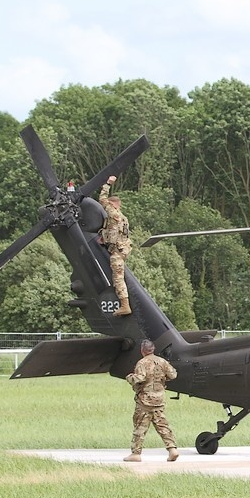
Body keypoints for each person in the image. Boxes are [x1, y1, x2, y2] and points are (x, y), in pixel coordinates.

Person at [124, 339, 179, 462]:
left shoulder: (142, 363)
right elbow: (173, 375)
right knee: (162, 425)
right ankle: (172, 449)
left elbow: (140, 378)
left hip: (145, 401)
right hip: (159, 399)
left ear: (142, 350)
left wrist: (129, 377)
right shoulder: (162, 362)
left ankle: (136, 453)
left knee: (140, 426)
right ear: (153, 350)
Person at [99, 175, 132, 316]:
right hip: (124, 248)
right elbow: (114, 233)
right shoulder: (121, 217)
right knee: (119, 274)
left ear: (112, 204)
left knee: (118, 278)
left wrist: (108, 183)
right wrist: (104, 238)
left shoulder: (112, 212)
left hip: (118, 251)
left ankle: (125, 305)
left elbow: (102, 199)